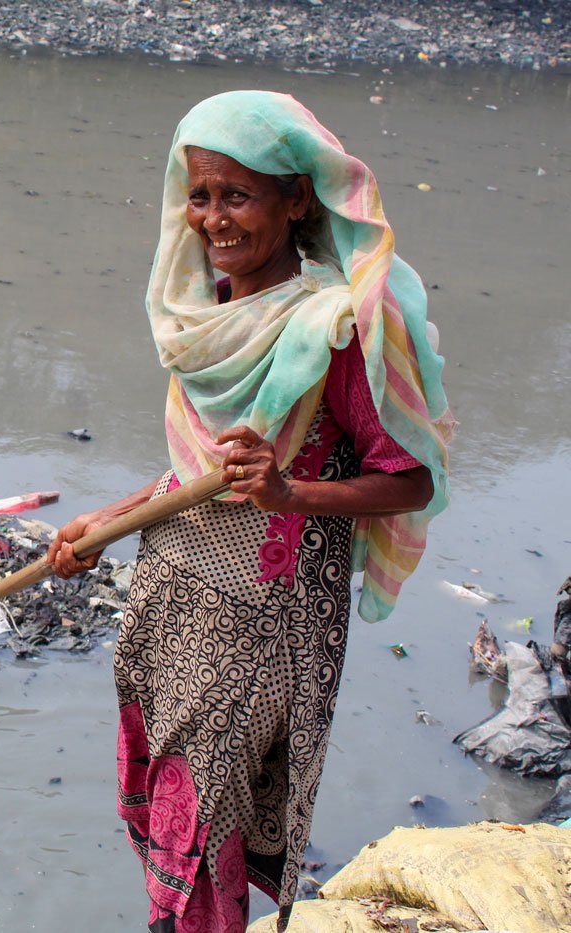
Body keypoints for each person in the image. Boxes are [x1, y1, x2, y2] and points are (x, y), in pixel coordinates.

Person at [46, 91, 454, 933]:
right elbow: (193, 475)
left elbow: (410, 481)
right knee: (175, 816)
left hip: (263, 627)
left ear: (295, 199)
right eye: (200, 195)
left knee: (203, 827)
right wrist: (103, 523)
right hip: (172, 601)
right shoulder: (208, 321)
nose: (213, 219)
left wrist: (288, 493)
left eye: (237, 194)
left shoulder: (336, 331)